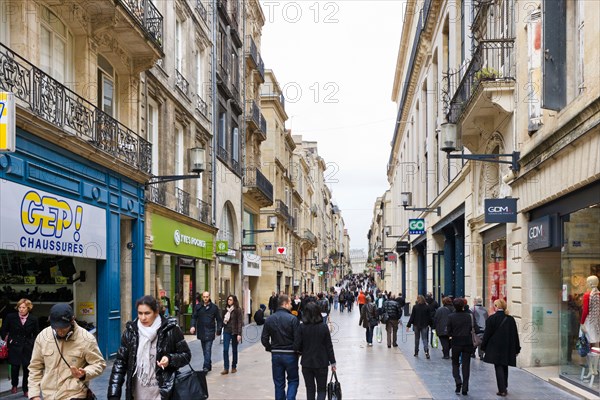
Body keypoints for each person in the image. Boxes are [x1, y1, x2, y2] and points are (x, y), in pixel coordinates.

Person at [107, 295, 191, 400]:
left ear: (156, 313)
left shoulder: (171, 330)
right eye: (140, 313)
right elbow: (120, 364)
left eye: (147, 313)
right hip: (137, 394)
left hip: (163, 393)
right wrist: (113, 395)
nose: (143, 318)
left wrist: (170, 359)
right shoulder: (131, 332)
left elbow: (186, 355)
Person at [28, 304, 106, 400]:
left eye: (63, 327)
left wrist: (85, 373)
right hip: (48, 395)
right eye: (56, 328)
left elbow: (99, 364)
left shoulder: (86, 339)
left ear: (72, 320)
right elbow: (35, 367)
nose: (60, 331)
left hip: (74, 395)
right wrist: (34, 394)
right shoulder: (43, 336)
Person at [261, 294, 300, 400]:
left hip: (276, 354)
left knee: (278, 383)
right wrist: (297, 351)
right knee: (293, 380)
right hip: (290, 354)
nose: (291, 305)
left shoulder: (269, 319)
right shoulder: (293, 319)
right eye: (290, 303)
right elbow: (298, 339)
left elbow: (264, 339)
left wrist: (270, 348)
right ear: (285, 304)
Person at [294, 302, 336, 400]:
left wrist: (301, 351)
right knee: (321, 390)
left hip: (307, 363)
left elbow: (296, 346)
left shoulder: (301, 327)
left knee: (310, 389)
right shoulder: (323, 327)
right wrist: (333, 363)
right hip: (321, 363)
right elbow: (329, 346)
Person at [481, 298, 521, 397]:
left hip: (495, 347)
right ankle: (505, 386)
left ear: (496, 306)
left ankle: (502, 389)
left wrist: (483, 346)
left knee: (498, 366)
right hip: (507, 346)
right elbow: (515, 335)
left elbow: (487, 334)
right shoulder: (510, 319)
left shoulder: (491, 319)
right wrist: (517, 348)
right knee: (505, 365)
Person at [0, 298, 39, 397]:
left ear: (28, 308)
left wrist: (31, 342)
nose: (21, 309)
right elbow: (3, 330)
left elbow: (37, 334)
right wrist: (8, 340)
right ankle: (14, 385)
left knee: (27, 368)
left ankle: (26, 389)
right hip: (14, 345)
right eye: (19, 307)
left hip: (27, 346)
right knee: (14, 367)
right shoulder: (10, 317)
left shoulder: (33, 319)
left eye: (23, 307)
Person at [447, 298, 475, 396]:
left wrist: (452, 336)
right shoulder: (469, 316)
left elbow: (448, 331)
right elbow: (475, 328)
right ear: (463, 306)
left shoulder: (451, 317)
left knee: (455, 364)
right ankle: (465, 387)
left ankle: (458, 381)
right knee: (466, 365)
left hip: (456, 343)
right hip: (467, 343)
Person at [190, 291, 222, 372]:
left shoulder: (214, 308)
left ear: (209, 297)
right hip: (201, 331)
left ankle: (206, 367)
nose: (205, 298)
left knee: (207, 349)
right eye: (204, 297)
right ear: (202, 297)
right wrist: (192, 326)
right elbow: (194, 317)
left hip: (210, 331)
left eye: (207, 297)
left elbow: (219, 320)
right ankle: (209, 364)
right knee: (205, 350)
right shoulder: (198, 307)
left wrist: (218, 330)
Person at [221, 295, 243, 375]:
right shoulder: (225, 310)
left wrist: (239, 334)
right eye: (228, 300)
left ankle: (234, 366)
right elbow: (222, 320)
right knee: (225, 349)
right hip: (226, 331)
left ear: (234, 301)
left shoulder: (237, 310)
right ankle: (226, 368)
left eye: (230, 300)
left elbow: (240, 322)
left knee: (234, 349)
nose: (229, 301)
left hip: (234, 332)